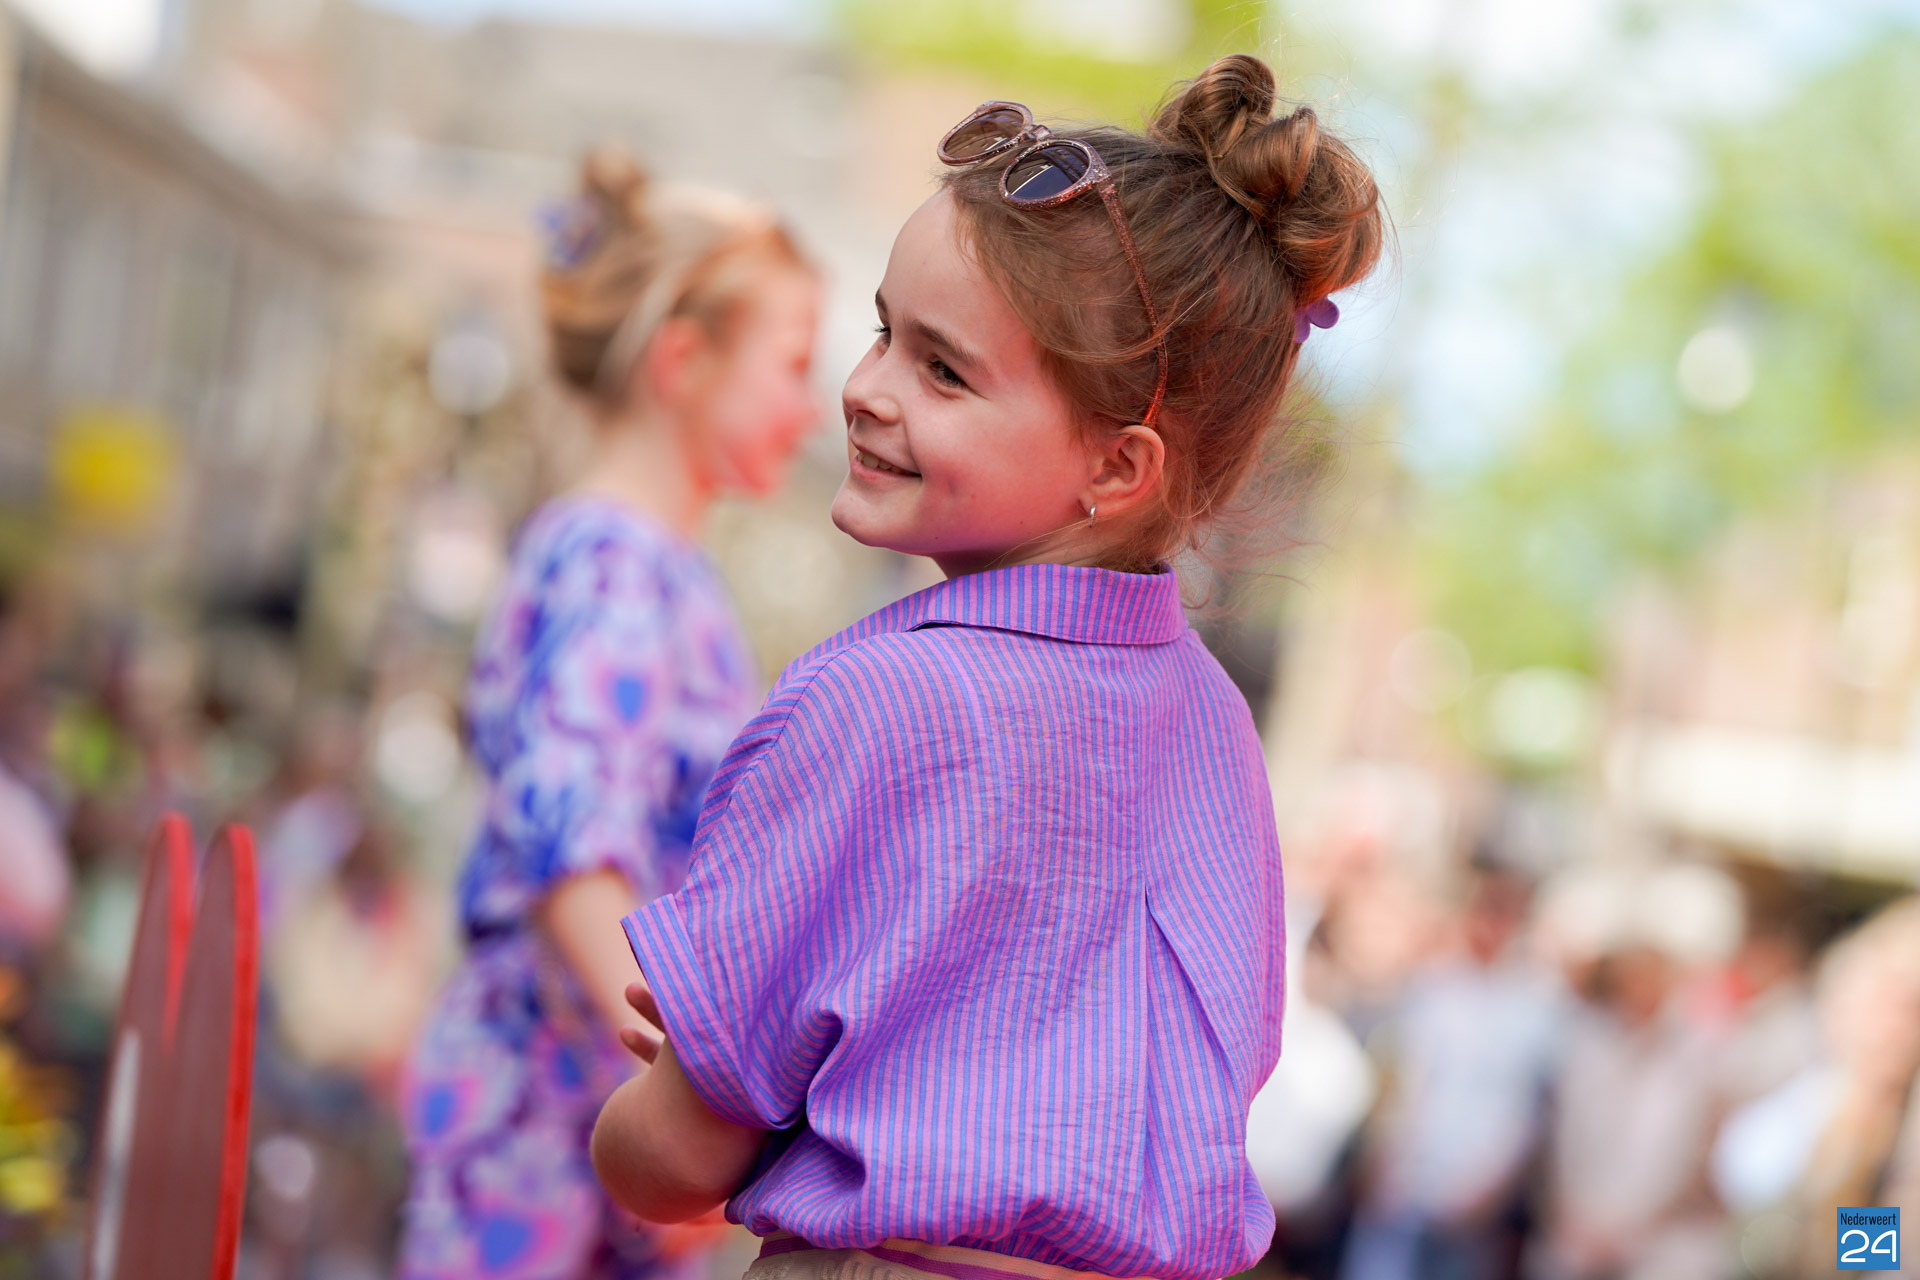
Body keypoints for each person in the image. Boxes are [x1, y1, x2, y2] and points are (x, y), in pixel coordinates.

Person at [590, 54, 1385, 1280]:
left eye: (943, 369)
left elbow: (674, 1158)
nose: (866, 390)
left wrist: (667, 1096)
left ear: (1119, 466)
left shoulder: (875, 698)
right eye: (883, 334)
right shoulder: (1219, 729)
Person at [398, 148, 821, 1280]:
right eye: (791, 363)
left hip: (581, 1103)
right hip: (547, 1109)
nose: (811, 405)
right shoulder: (615, 565)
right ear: (682, 360)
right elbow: (573, 847)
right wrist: (680, 1101)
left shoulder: (647, 565)